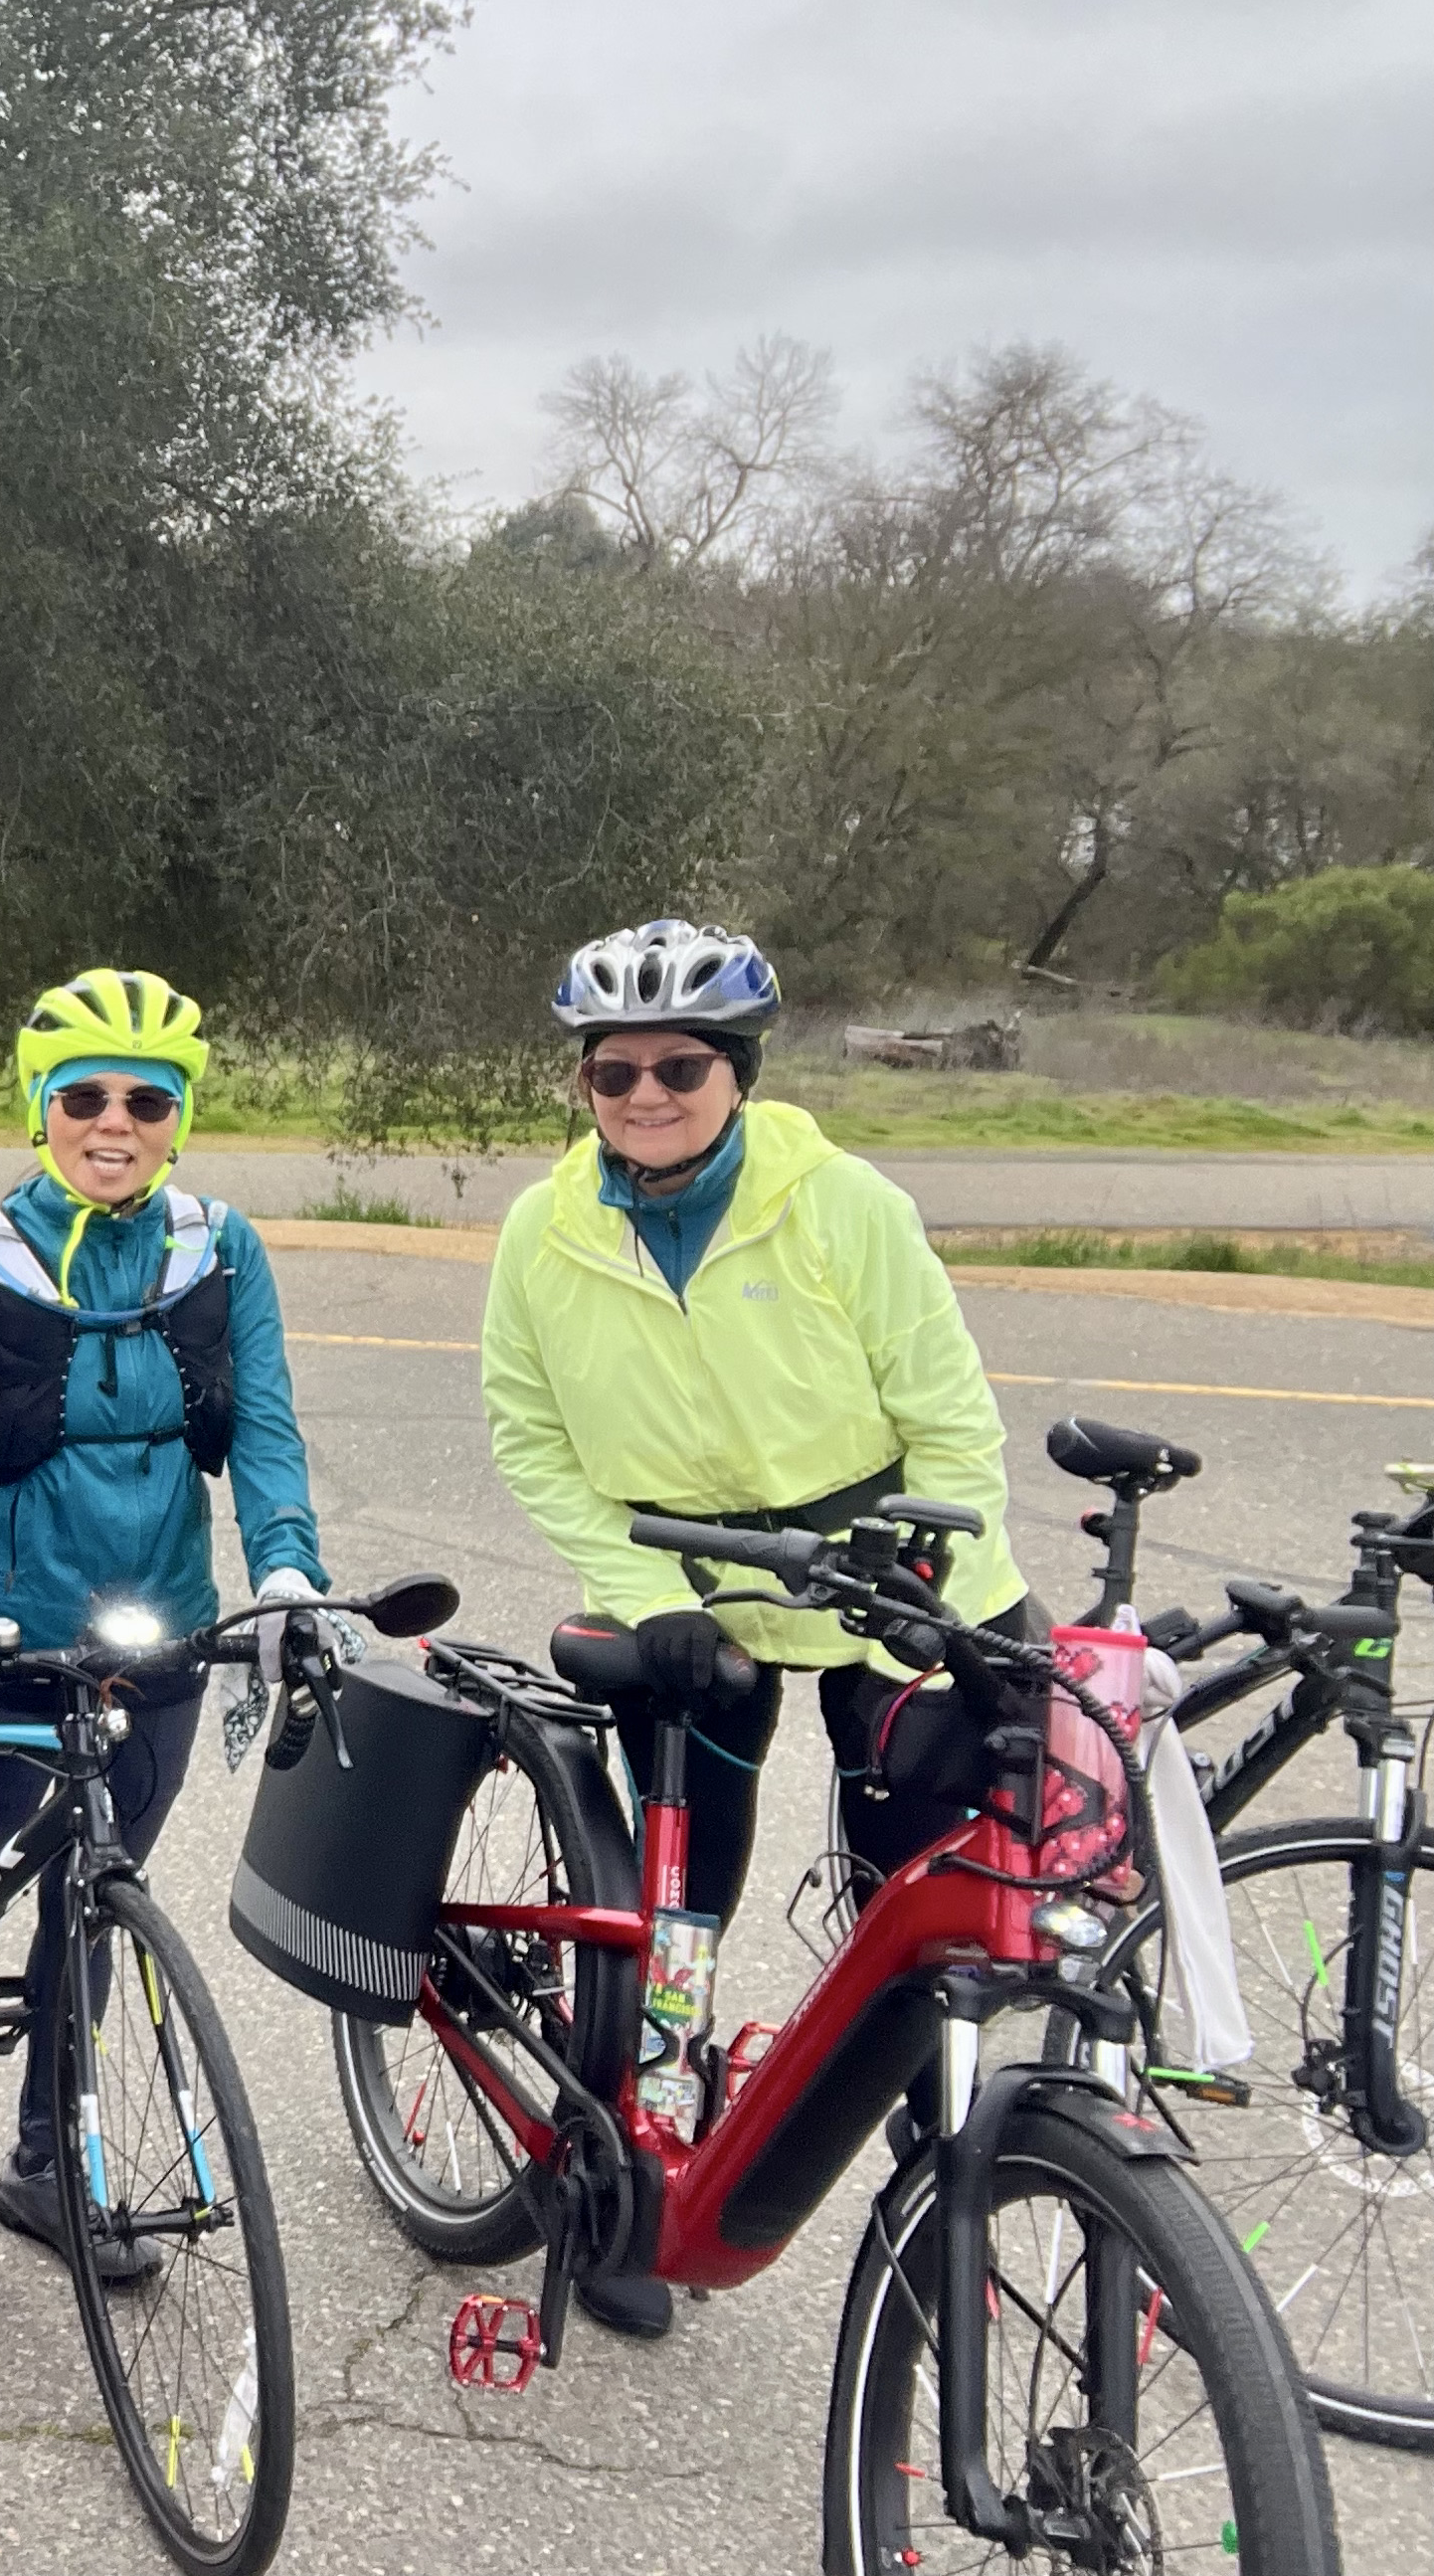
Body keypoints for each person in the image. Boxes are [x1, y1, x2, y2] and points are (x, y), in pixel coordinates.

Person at [480, 916, 1031, 2340]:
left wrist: (922, 1577)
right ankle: (638, 2165)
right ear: (584, 1084)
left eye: (682, 1067)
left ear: (738, 1072)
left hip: (887, 1577)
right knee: (683, 1900)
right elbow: (532, 1438)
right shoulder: (545, 1231)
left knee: (924, 1907)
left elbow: (951, 1421)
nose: (646, 1096)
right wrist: (648, 1596)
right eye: (614, 1073)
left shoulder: (845, 1207)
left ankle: (947, 2175)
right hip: (690, 1590)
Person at [0, 968, 330, 2305]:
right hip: (11, 1641)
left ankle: (47, 2167)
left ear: (179, 1117)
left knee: (92, 1904)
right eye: (83, 1098)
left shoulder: (222, 1251)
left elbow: (267, 1435)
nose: (113, 1123)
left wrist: (287, 1571)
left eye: (146, 1100)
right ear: (41, 1111)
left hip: (165, 1644)